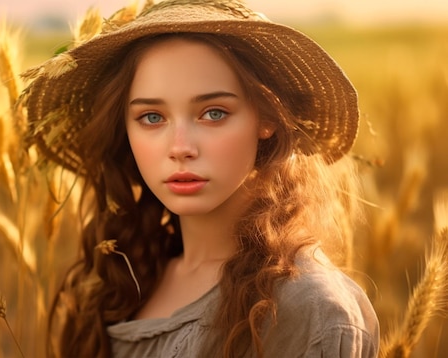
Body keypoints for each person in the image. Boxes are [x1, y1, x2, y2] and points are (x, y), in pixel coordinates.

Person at [20, 0, 380, 357]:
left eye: (213, 113)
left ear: (268, 118)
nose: (180, 148)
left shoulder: (309, 308)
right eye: (151, 117)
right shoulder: (124, 278)